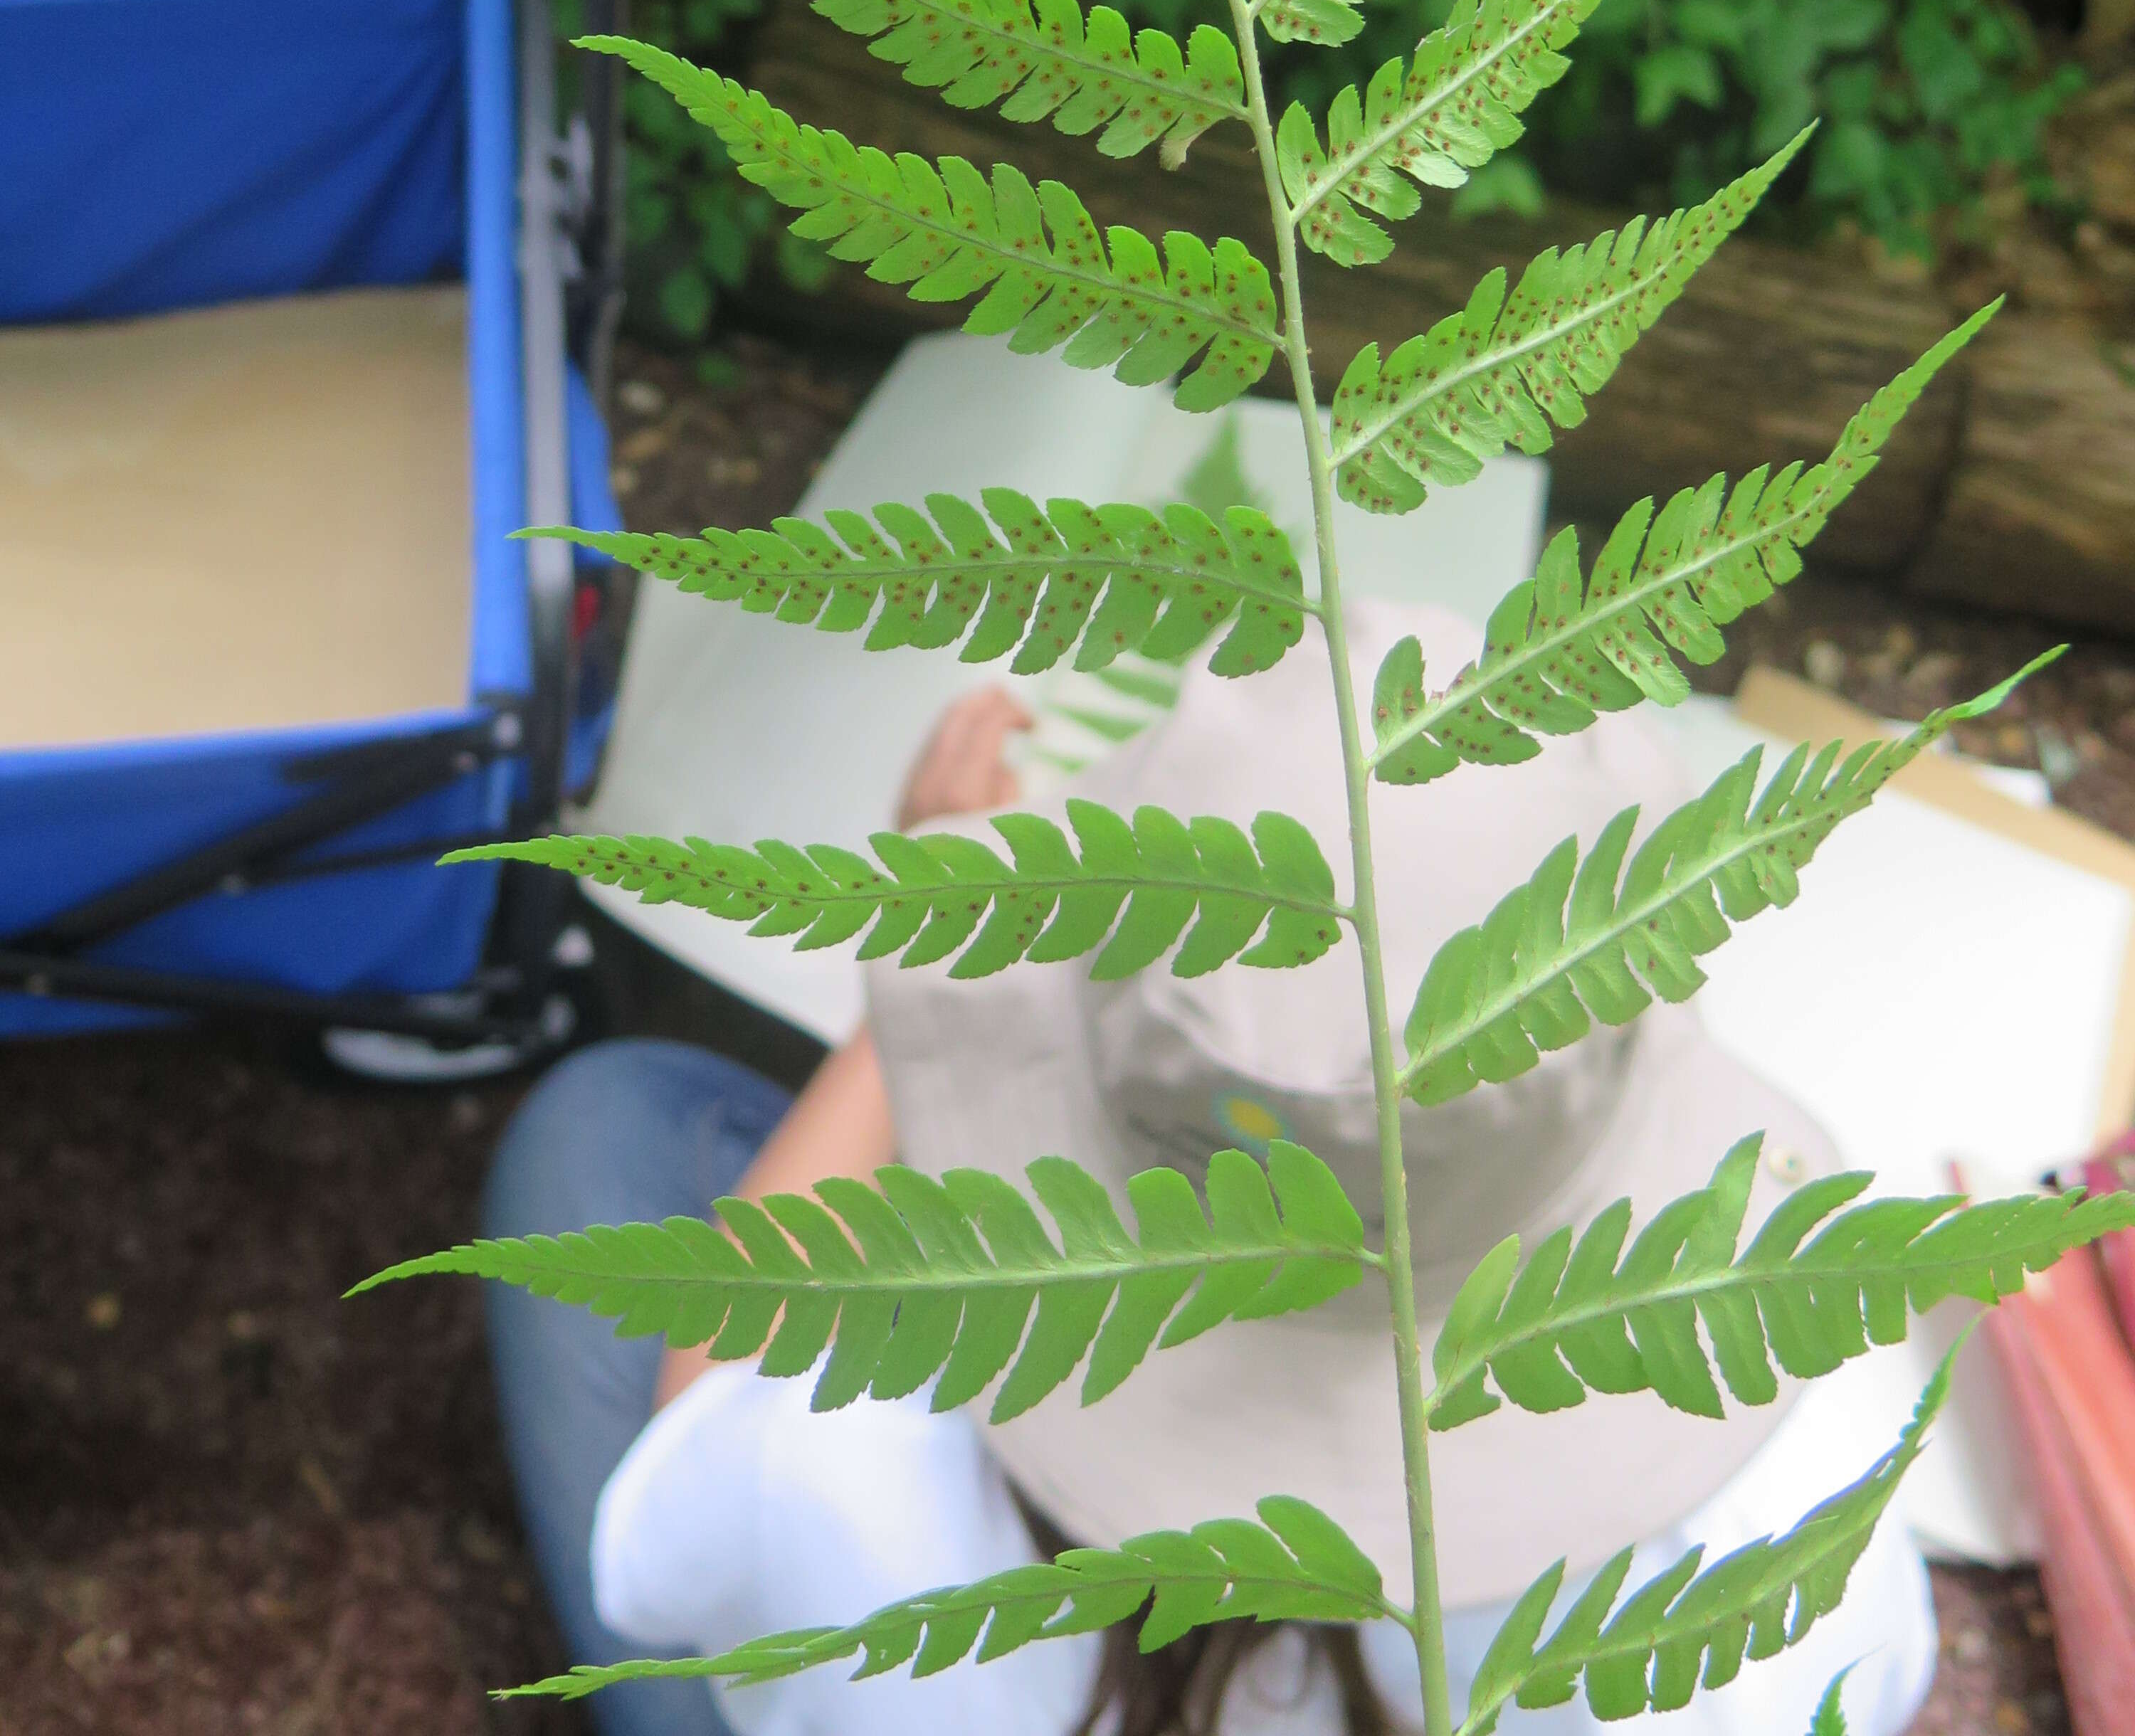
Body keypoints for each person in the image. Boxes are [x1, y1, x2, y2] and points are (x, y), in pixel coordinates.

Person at [483, 603, 1941, 1735]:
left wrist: (934, 961)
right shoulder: (1819, 1494)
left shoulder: (858, 1450)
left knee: (608, 1134)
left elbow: (703, 1423)